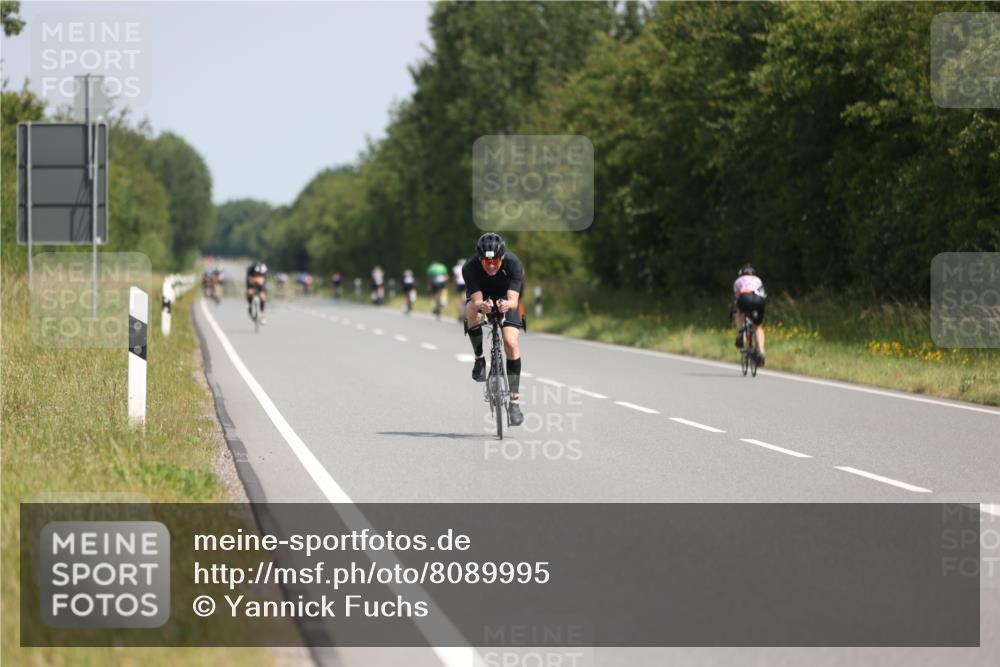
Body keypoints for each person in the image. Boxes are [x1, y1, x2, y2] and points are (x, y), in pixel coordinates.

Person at [462, 232, 525, 427]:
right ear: (480, 259)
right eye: (486, 261)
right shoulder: (469, 267)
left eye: (495, 261)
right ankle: (479, 358)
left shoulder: (514, 264)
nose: (491, 265)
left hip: (506, 298)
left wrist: (507, 304)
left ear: (502, 257)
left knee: (511, 344)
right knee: (471, 310)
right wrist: (482, 305)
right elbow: (476, 300)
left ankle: (514, 402)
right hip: (483, 297)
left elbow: (514, 300)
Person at [733, 263, 766, 365]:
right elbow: (764, 295)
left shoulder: (738, 281)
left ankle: (740, 334)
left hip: (744, 298)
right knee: (758, 327)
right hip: (758, 300)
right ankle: (761, 350)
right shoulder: (758, 280)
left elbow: (737, 298)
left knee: (739, 312)